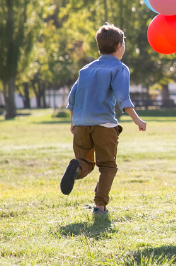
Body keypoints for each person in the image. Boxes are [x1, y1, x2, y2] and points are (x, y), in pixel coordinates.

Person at [60, 24, 147, 215]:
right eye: (123, 43)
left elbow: (72, 98)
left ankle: (77, 168)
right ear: (118, 46)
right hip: (104, 125)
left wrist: (73, 122)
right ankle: (99, 206)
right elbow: (124, 99)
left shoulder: (86, 69)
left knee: (85, 162)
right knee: (107, 166)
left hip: (81, 124)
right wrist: (138, 120)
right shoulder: (119, 68)